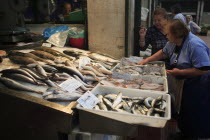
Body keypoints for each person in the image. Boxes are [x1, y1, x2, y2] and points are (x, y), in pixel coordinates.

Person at [138, 19, 210, 139]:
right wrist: (146, 60)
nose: (166, 36)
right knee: (182, 110)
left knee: (194, 113)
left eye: (168, 34)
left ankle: (193, 136)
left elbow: (204, 69)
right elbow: (163, 53)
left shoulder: (195, 44)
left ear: (177, 34)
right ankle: (183, 132)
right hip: (184, 81)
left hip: (199, 84)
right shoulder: (173, 41)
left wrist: (180, 72)